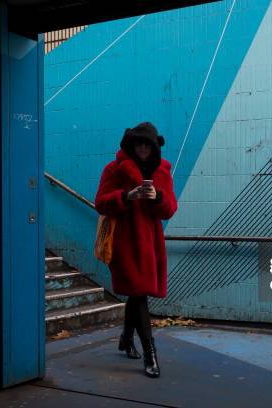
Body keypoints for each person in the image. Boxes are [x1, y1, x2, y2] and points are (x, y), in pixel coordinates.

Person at [94, 122, 178, 378]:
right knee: (139, 293)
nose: (142, 148)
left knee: (137, 292)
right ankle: (150, 353)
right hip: (125, 242)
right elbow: (100, 202)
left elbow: (170, 208)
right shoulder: (114, 169)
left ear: (154, 147)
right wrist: (124, 197)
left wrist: (158, 197)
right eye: (138, 143)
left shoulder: (162, 170)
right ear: (131, 144)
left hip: (151, 243)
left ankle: (126, 338)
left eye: (147, 144)